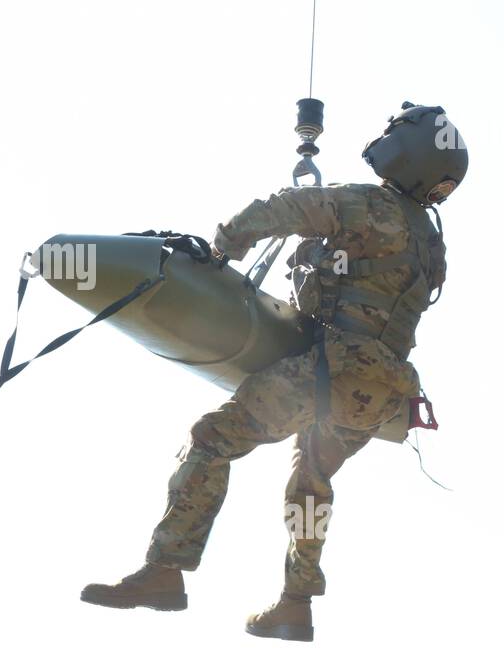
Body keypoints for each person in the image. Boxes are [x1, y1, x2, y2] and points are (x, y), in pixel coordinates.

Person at [80, 103, 468, 641]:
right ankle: (296, 603)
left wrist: (226, 242)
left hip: (330, 372)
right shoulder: (431, 241)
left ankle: (166, 571)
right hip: (379, 394)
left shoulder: (367, 205)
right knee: (310, 484)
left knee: (212, 440)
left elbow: (285, 208)